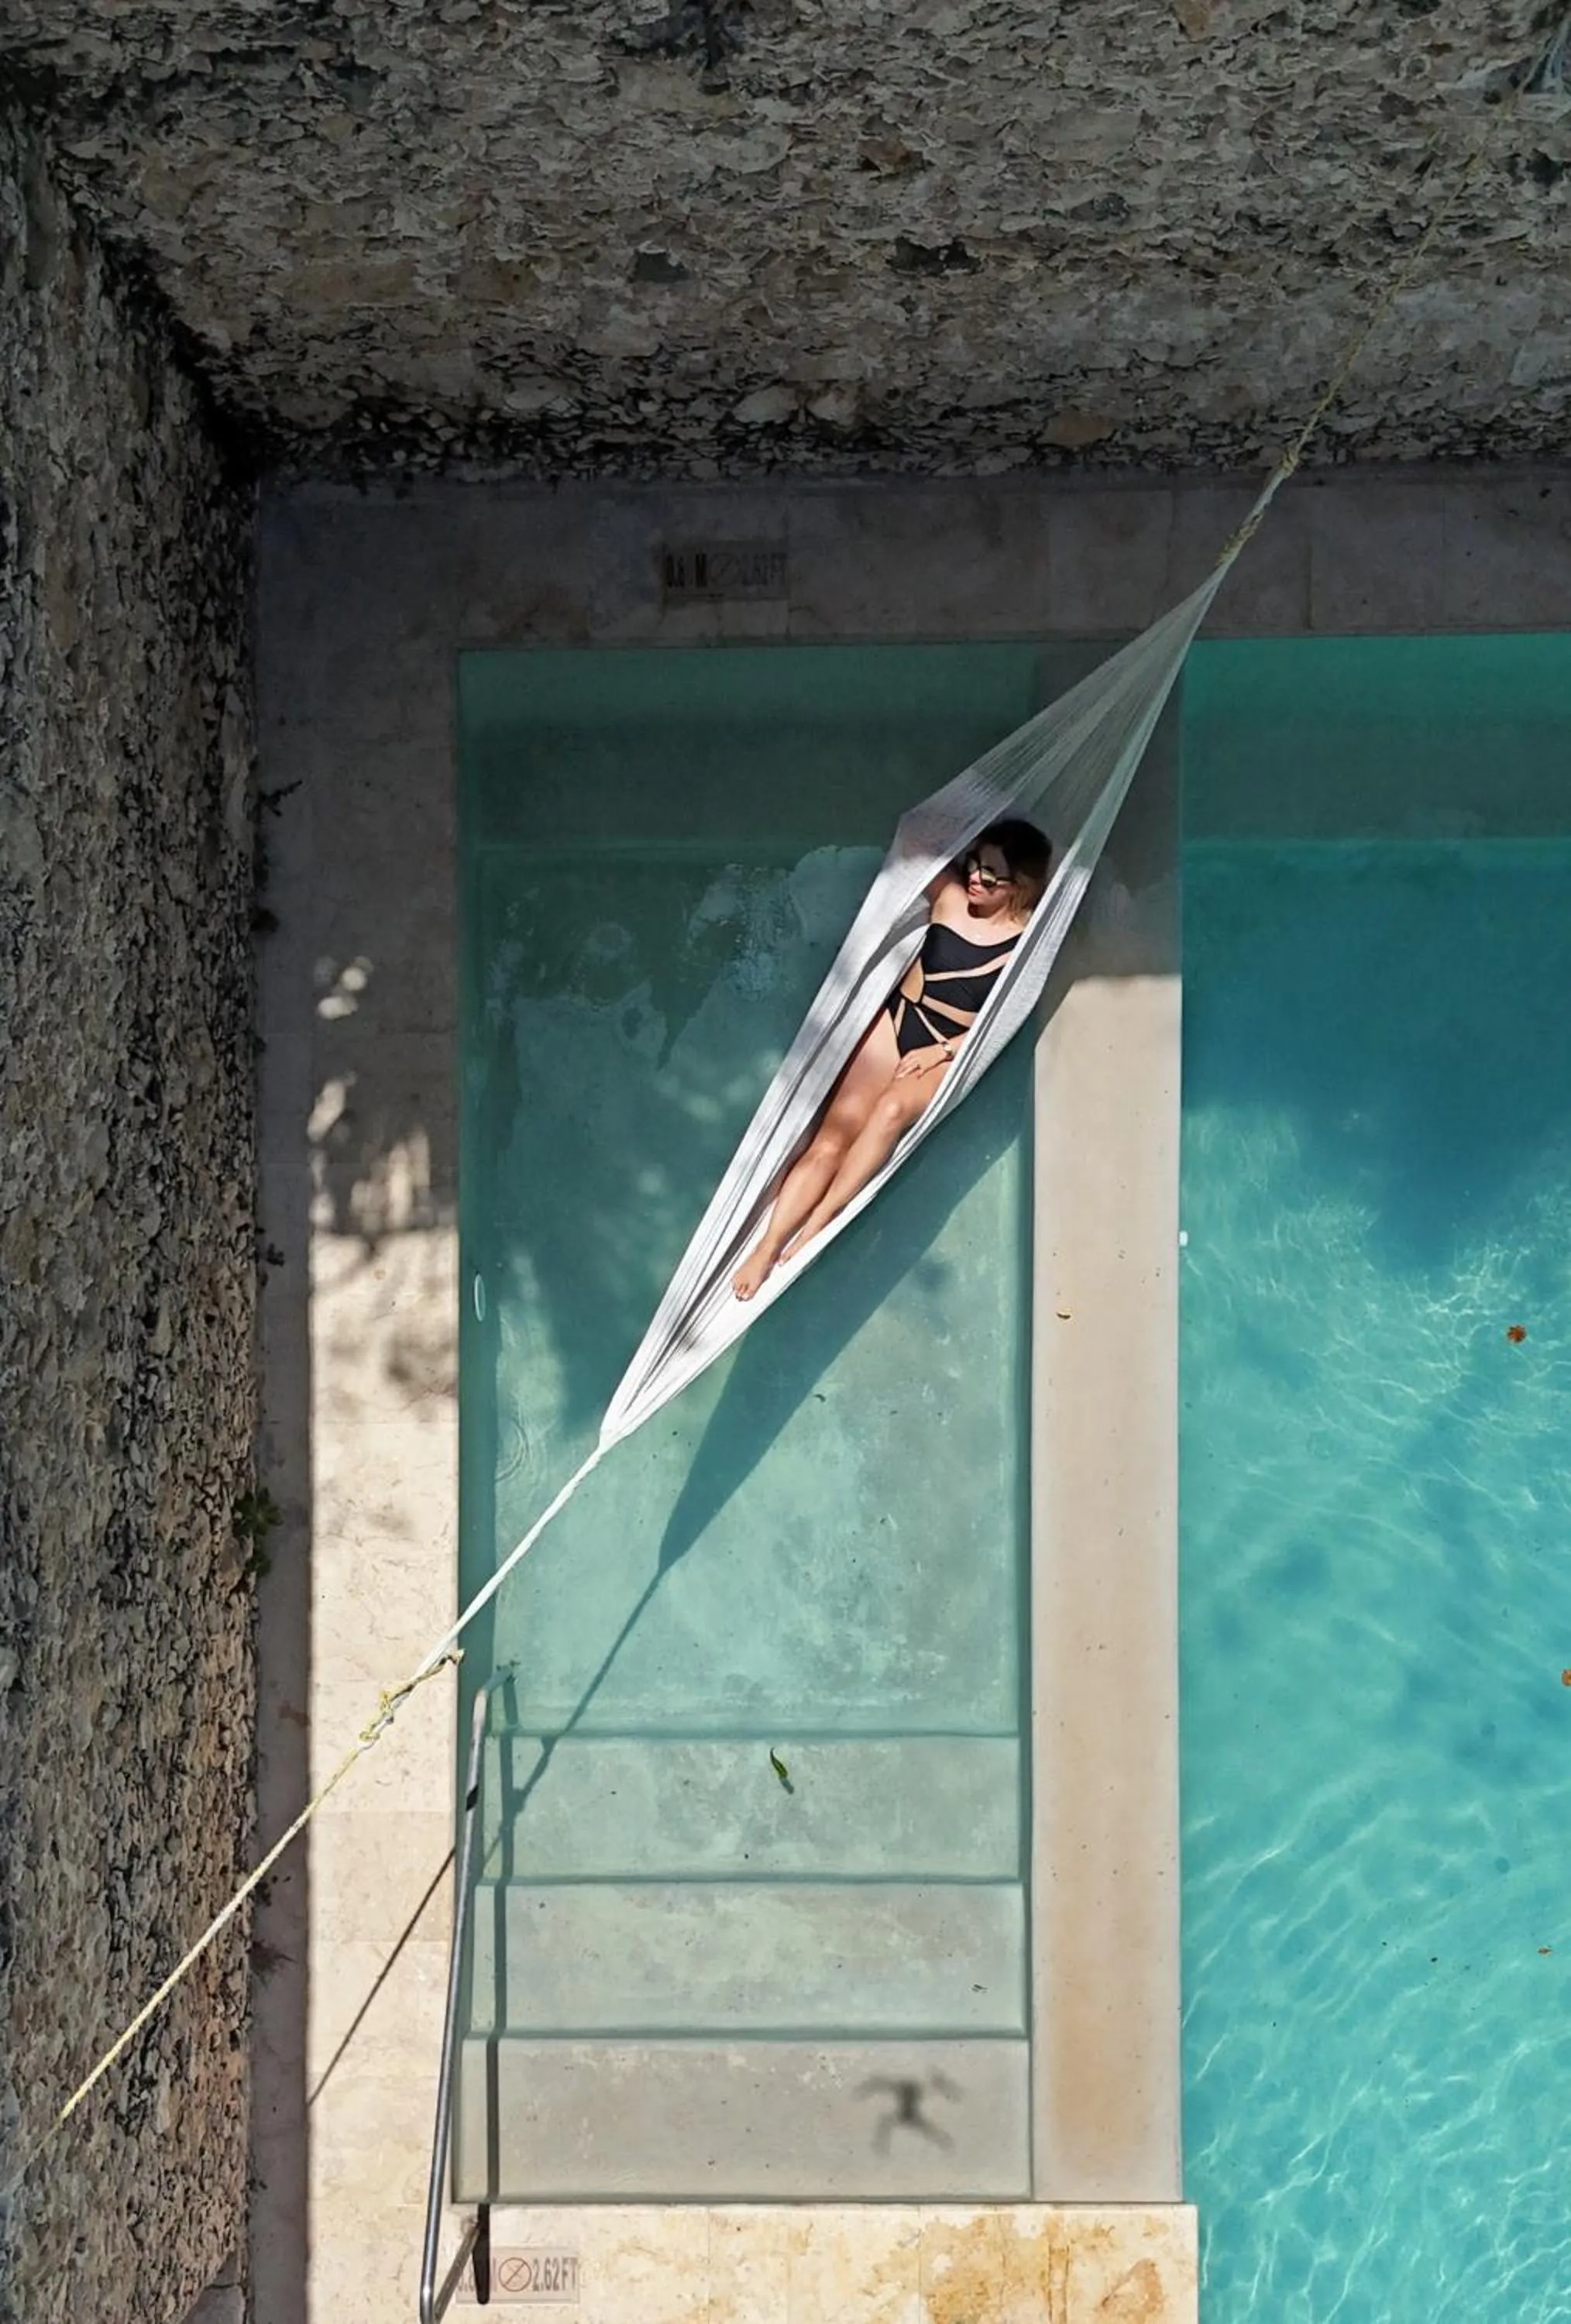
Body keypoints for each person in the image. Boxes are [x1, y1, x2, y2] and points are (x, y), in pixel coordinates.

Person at [731, 817, 1052, 1299]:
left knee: (891, 1112)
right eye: (975, 864)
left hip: (948, 1048)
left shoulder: (1029, 944)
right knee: (832, 1137)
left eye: (991, 874)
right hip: (897, 1021)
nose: (976, 878)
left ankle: (819, 1223)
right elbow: (918, 836)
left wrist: (943, 1050)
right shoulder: (950, 898)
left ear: (1020, 886)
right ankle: (767, 1246)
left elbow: (999, 1025)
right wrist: (981, 805)